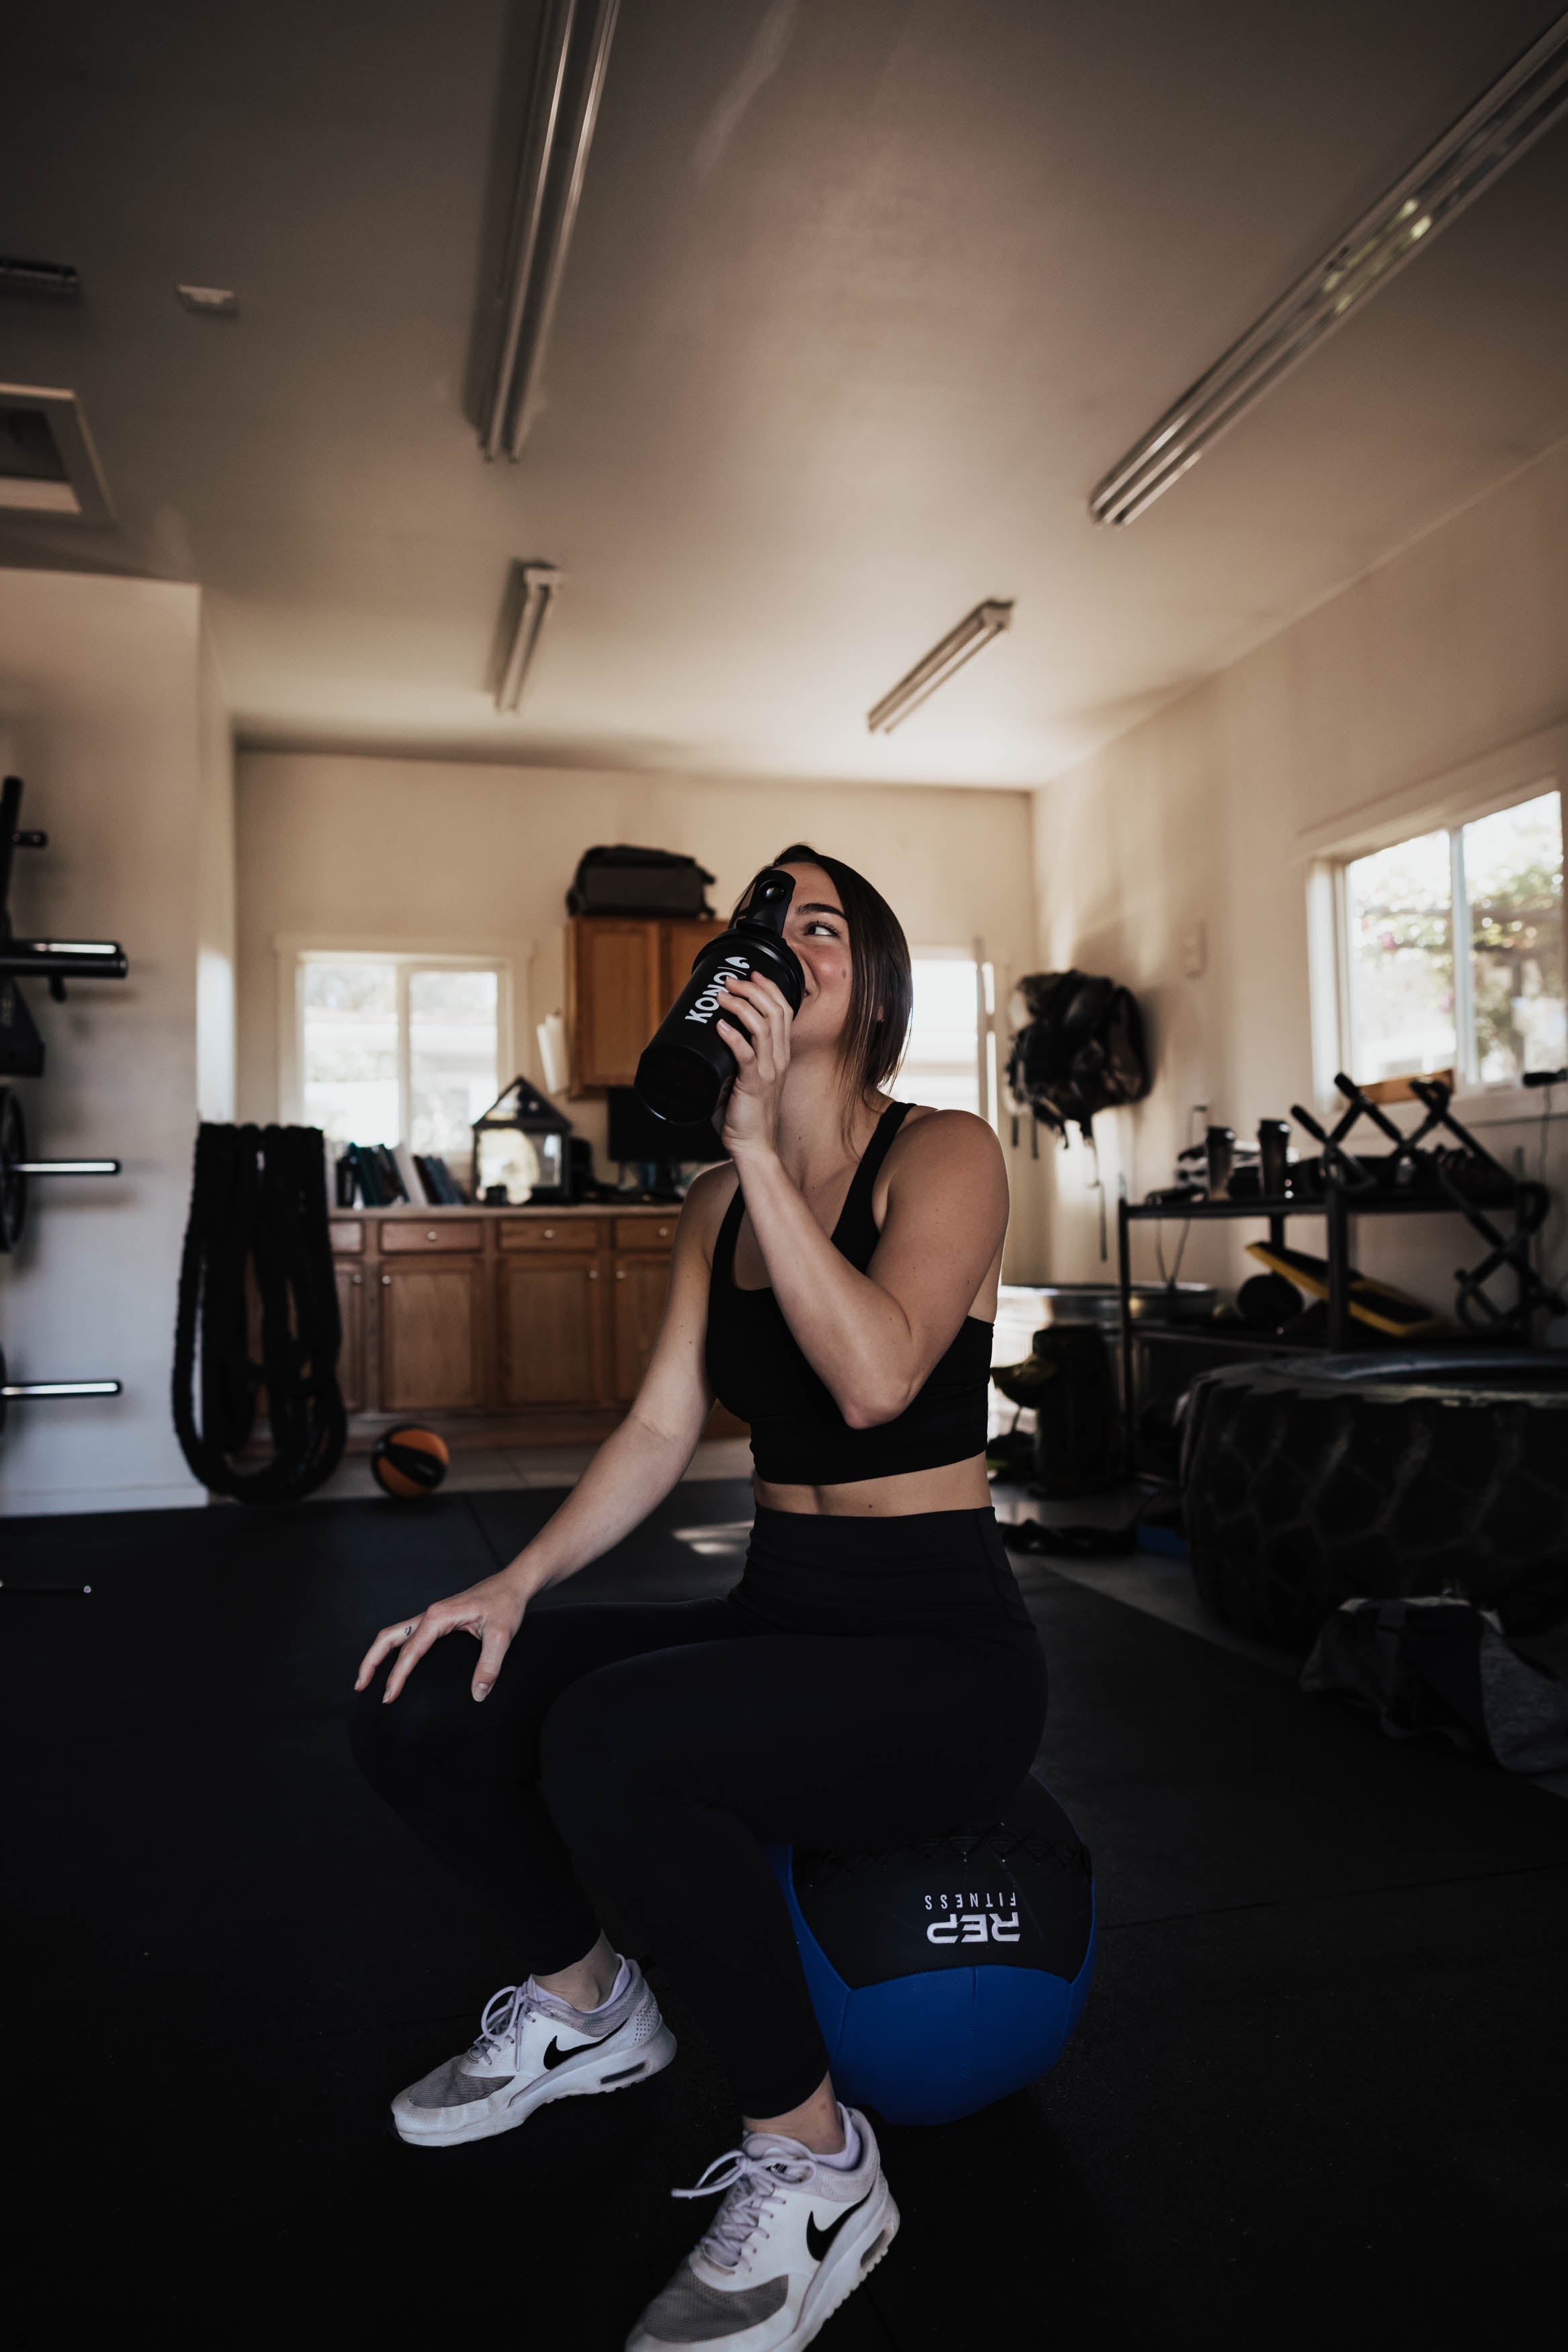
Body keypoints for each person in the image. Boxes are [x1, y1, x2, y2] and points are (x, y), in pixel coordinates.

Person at [350, 846, 1047, 2352]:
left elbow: (873, 1379)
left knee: (611, 1743)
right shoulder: (714, 1210)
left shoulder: (949, 1152)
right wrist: (509, 1585)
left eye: (822, 928)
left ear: (868, 987)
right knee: (422, 1696)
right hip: (780, 1619)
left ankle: (820, 2170)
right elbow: (665, 1430)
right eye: (762, 928)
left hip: (942, 1659)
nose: (783, 946)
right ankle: (595, 2008)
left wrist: (761, 1142)